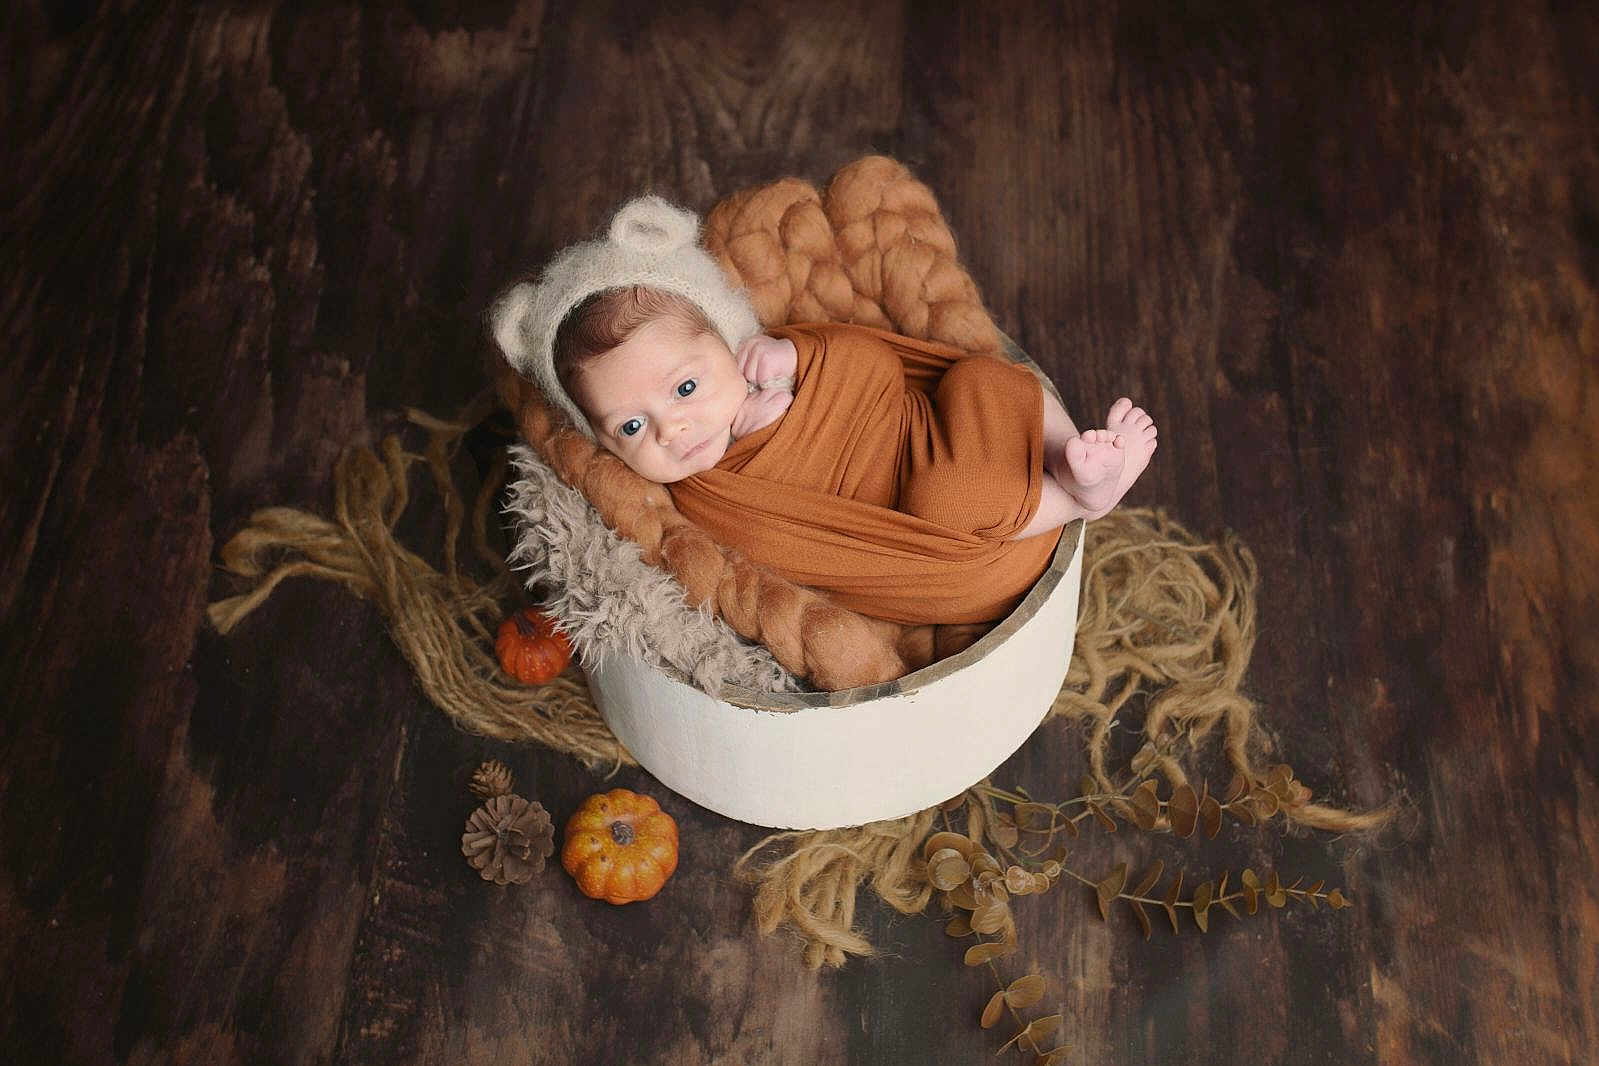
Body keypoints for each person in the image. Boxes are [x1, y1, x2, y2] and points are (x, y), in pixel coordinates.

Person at [492, 196, 1156, 626]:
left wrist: (803, 360)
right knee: (950, 496)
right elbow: (785, 550)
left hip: (926, 431)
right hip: (938, 541)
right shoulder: (707, 499)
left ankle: (1068, 460)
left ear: (728, 342)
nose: (674, 429)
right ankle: (1079, 498)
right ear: (600, 438)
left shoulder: (777, 360)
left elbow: (878, 370)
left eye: (685, 388)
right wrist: (780, 435)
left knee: (978, 377)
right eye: (631, 427)